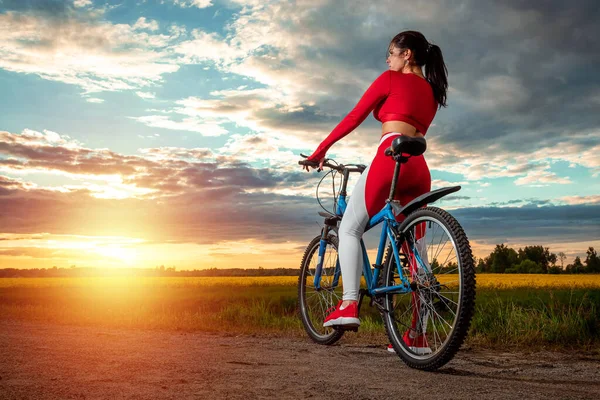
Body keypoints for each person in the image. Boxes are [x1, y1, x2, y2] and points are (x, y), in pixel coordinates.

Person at [301, 30, 448, 352]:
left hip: (389, 158)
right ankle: (418, 336)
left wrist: (320, 151)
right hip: (419, 166)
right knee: (416, 253)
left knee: (350, 228)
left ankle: (349, 305)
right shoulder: (434, 91)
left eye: (391, 53)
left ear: (407, 54)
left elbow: (355, 116)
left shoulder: (390, 79)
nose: (387, 59)